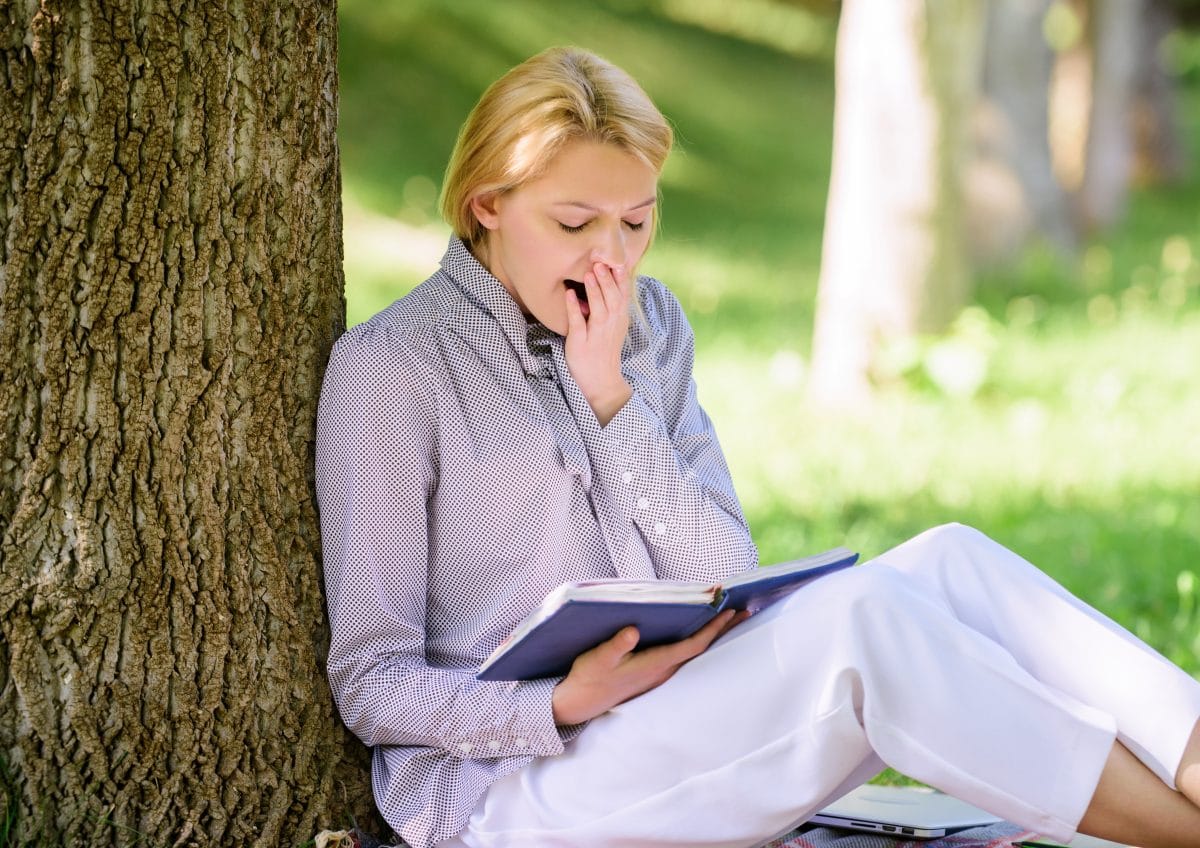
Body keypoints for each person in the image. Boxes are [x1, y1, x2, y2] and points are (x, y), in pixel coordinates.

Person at [315, 46, 1200, 848]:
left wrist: (611, 399)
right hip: (510, 794)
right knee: (866, 622)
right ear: (489, 207)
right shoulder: (391, 369)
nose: (610, 261)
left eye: (636, 221)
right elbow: (370, 677)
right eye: (575, 224)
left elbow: (726, 563)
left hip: (684, 719)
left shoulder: (649, 327)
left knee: (954, 563)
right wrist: (554, 703)